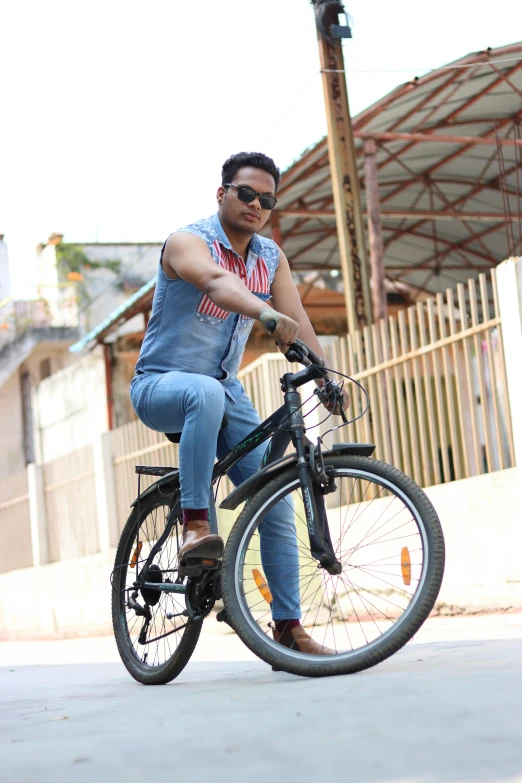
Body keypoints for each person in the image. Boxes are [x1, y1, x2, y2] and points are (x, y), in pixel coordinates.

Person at [130, 152, 349, 655]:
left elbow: (299, 319)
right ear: (222, 193)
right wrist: (264, 314)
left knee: (274, 495)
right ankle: (196, 528)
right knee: (202, 391)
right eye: (245, 193)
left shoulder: (270, 258)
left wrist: (325, 376)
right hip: (161, 384)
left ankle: (287, 629)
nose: (255, 205)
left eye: (266, 200)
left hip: (226, 393)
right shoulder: (187, 241)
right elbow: (215, 283)